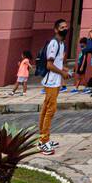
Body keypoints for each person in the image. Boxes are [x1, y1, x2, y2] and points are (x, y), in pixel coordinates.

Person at [38, 20, 72, 153]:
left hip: (56, 80)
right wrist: (62, 72)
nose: (65, 29)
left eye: (66, 27)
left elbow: (56, 63)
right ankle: (43, 141)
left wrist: (64, 70)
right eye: (62, 27)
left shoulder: (61, 44)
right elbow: (49, 65)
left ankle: (43, 137)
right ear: (56, 30)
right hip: (51, 81)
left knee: (47, 108)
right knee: (50, 110)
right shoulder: (54, 43)